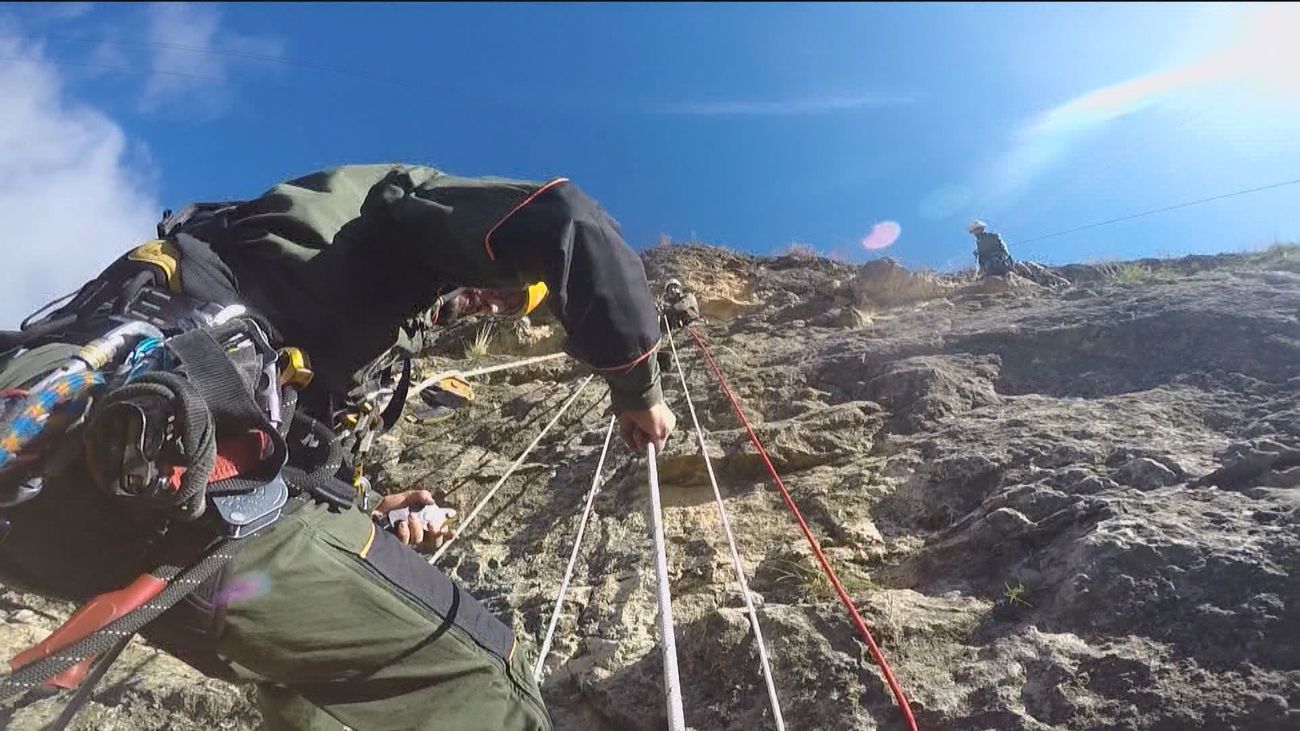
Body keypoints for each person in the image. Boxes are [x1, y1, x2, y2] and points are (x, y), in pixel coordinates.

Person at [0, 164, 678, 731]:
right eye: (501, 293)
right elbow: (565, 217)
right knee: (493, 685)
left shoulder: (339, 316)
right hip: (179, 482)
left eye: (503, 309)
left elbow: (288, 447)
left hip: (84, 485)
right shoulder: (396, 216)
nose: (486, 308)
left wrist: (372, 509)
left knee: (321, 704)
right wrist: (636, 380)